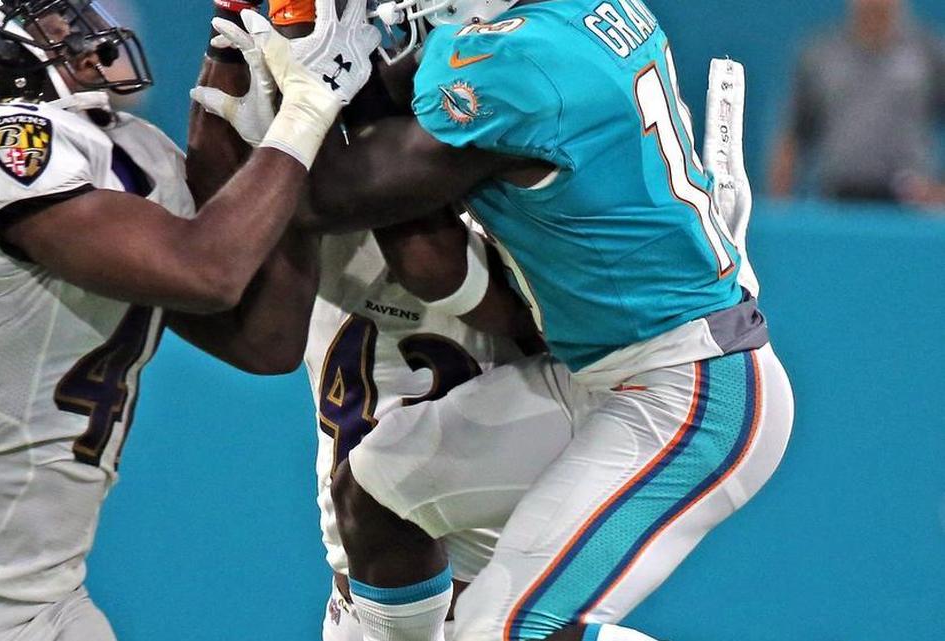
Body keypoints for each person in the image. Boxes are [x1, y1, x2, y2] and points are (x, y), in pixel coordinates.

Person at [201, 0, 794, 640]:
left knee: (505, 629)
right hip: (609, 370)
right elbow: (414, 115)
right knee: (376, 491)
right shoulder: (570, 21)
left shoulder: (515, 63)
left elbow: (338, 197)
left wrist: (308, 103)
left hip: (689, 388)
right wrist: (354, 74)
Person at [0, 0, 378, 639]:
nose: (82, 31)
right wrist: (303, 114)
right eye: (50, 22)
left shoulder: (129, 148)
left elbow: (264, 340)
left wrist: (259, 96)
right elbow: (205, 272)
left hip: (44, 595)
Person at [769, 0, 945, 205]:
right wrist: (779, 205)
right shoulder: (821, 56)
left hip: (911, 205)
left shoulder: (928, 53)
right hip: (838, 202)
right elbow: (794, 134)